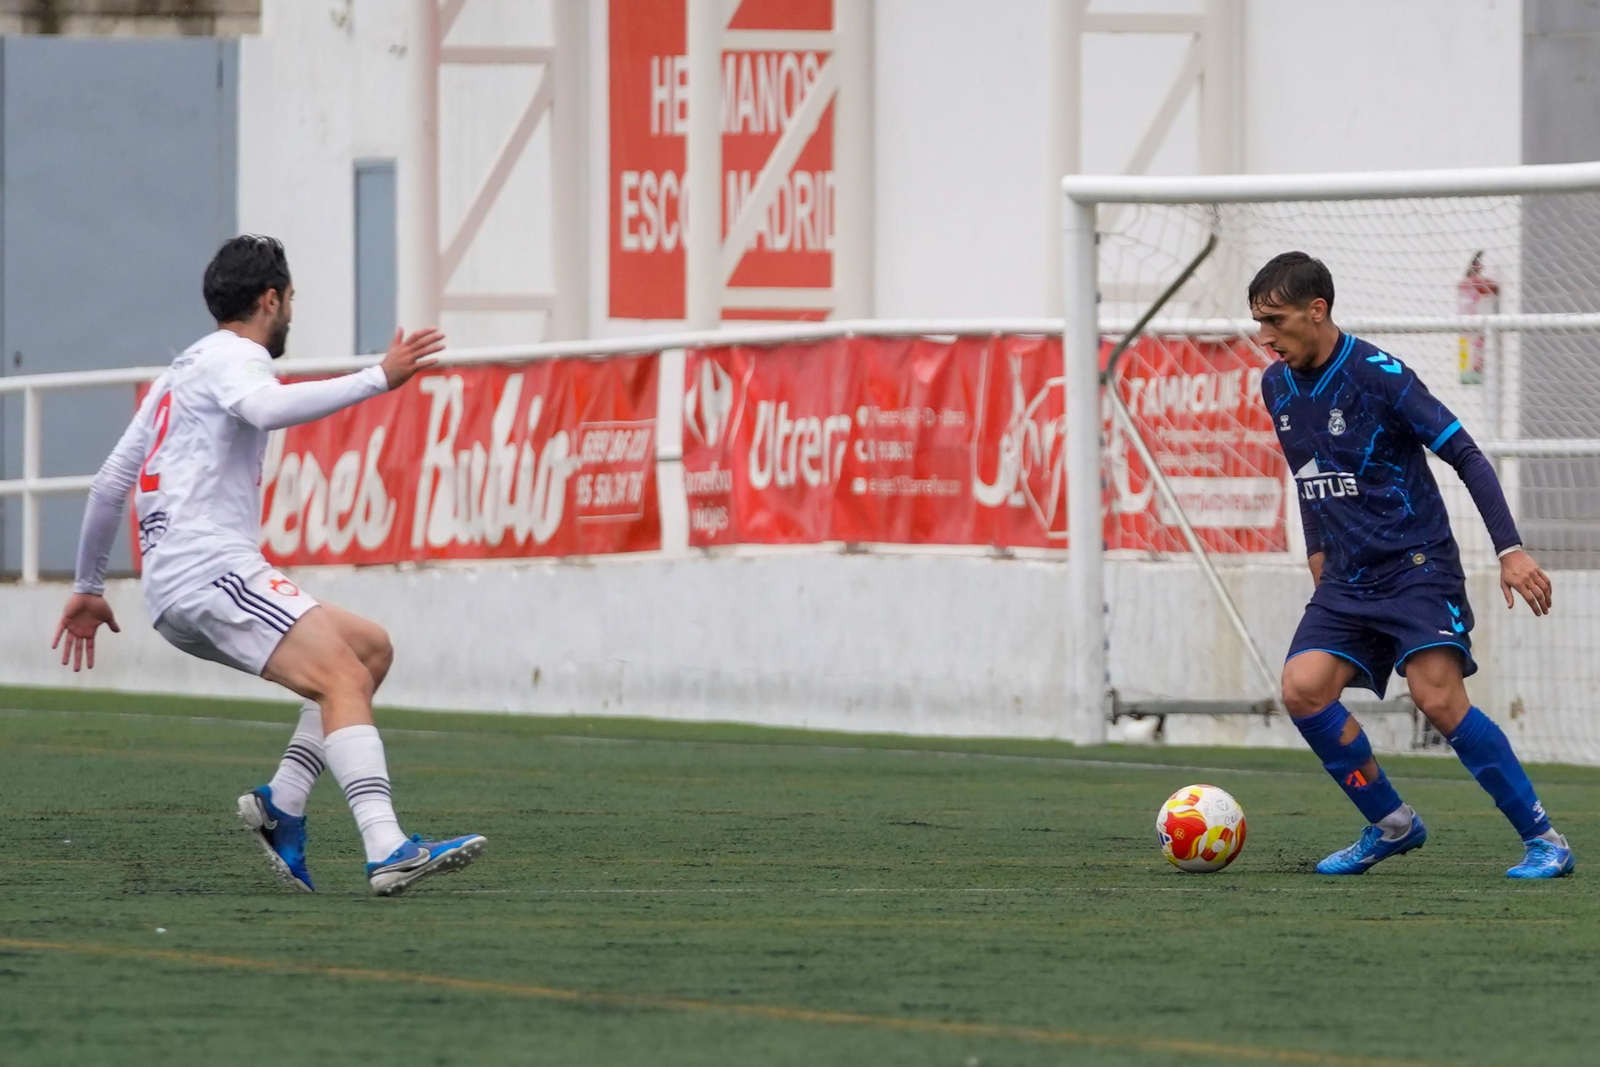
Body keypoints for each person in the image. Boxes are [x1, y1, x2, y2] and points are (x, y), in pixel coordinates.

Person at [51, 234, 487, 896]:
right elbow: (264, 407)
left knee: (368, 650)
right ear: (270, 298)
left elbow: (110, 483)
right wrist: (380, 376)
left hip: (186, 577)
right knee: (341, 673)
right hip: (209, 569)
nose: (290, 314)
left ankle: (282, 804)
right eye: (290, 300)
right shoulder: (238, 359)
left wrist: (87, 586)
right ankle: (387, 846)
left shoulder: (183, 369)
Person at [1253, 250, 1572, 879]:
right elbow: (1308, 474)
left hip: (1415, 565)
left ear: (1317, 312)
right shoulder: (1276, 386)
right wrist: (1317, 555)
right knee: (1302, 689)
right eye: (1257, 323)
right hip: (1346, 577)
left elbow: (1468, 455)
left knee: (1437, 697)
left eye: (1276, 320)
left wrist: (1511, 551)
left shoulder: (1381, 375)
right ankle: (1392, 824)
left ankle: (1546, 841)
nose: (1265, 337)